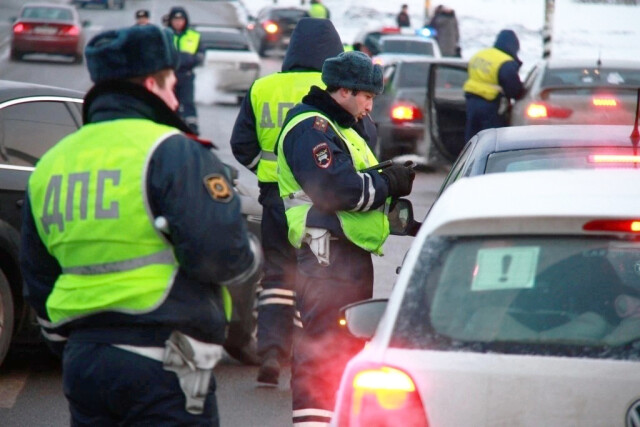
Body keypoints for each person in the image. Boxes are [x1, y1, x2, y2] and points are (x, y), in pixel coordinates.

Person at [19, 25, 262, 426]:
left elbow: (38, 274)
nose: (176, 96)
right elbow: (221, 257)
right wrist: (252, 256)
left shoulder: (52, 163)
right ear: (153, 83)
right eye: (171, 84)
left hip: (84, 361)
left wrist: (71, 341)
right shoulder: (172, 149)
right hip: (164, 363)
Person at [276, 51, 415, 426]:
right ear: (343, 91)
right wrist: (389, 183)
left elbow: (354, 179)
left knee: (342, 347)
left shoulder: (339, 127)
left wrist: (386, 180)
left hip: (343, 256)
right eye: (367, 97)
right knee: (322, 350)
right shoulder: (312, 129)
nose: (370, 107)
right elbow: (336, 190)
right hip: (326, 259)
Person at [231, 18, 362, 387]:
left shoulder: (263, 87)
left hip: (275, 200)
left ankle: (271, 352)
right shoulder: (337, 90)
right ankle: (312, 359)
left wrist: (270, 173)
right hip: (321, 205)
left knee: (277, 276)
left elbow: (241, 145)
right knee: (316, 278)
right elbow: (361, 145)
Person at [463, 29, 524, 142]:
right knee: (491, 139)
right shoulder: (505, 62)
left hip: (471, 100)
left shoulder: (480, 54)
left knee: (472, 137)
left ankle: (470, 158)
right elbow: (514, 88)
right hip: (490, 104)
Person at [167, 6, 203, 135]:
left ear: (185, 21)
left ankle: (192, 126)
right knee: (170, 102)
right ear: (170, 21)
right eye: (175, 20)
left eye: (181, 20)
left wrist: (190, 61)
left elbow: (201, 55)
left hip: (186, 75)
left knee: (187, 102)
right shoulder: (165, 35)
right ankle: (169, 124)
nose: (178, 23)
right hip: (168, 76)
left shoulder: (194, 36)